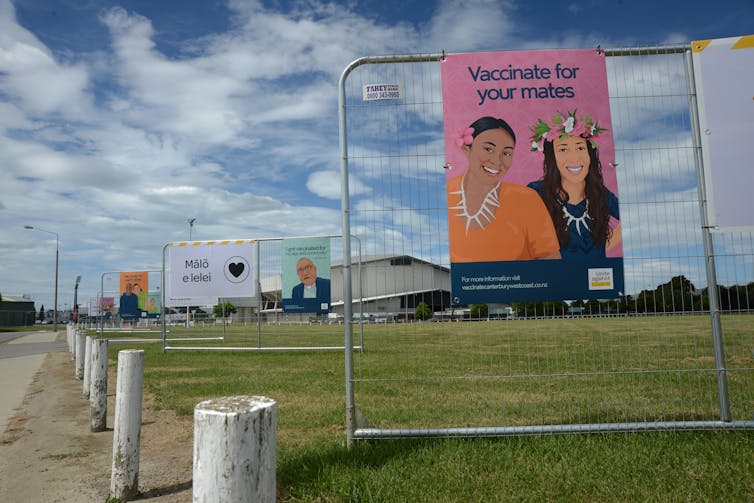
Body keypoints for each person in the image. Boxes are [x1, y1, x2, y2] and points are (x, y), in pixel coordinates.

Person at [447, 116, 561, 262]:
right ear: (466, 148)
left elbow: (551, 260)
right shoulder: (443, 195)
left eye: (506, 153)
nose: (497, 160)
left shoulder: (527, 199)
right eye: (488, 149)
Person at [527, 110, 621, 260]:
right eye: (563, 149)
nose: (574, 158)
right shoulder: (537, 192)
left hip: (594, 278)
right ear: (553, 158)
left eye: (580, 148)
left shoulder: (600, 194)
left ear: (590, 155)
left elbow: (628, 216)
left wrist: (603, 248)